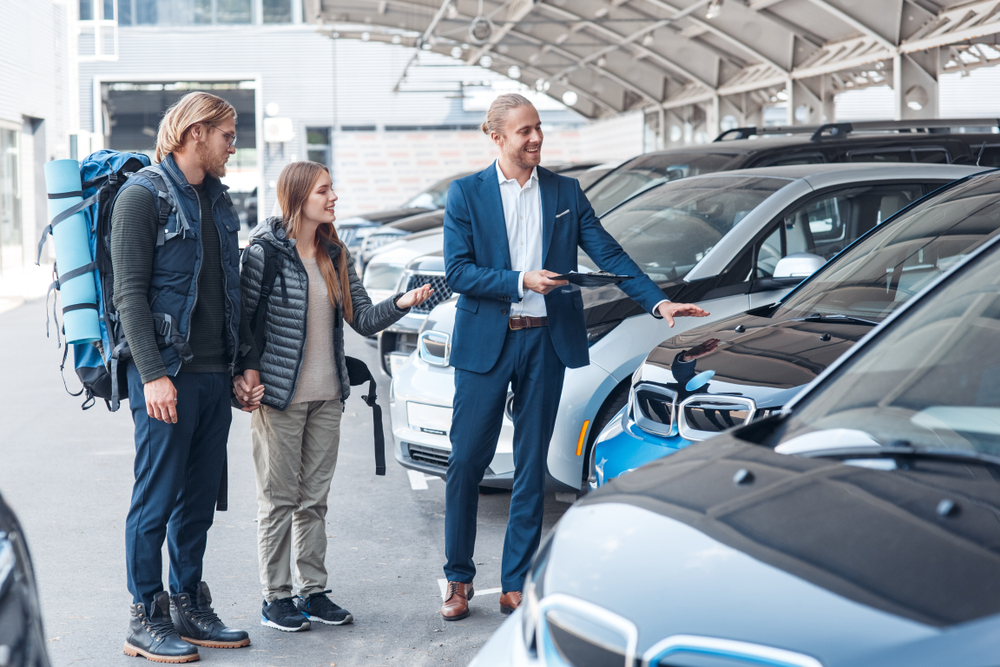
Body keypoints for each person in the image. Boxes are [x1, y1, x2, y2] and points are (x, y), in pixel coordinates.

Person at [440, 94, 709, 620]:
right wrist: (520, 280)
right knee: (465, 461)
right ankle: (457, 580)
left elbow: (607, 252)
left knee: (530, 465)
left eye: (539, 128)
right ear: (497, 138)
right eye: (525, 131)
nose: (536, 138)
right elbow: (458, 273)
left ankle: (515, 580)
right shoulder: (465, 194)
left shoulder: (565, 191)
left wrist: (657, 300)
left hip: (546, 341)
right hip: (486, 343)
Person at [239, 161, 433, 632]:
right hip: (279, 397)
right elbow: (241, 323)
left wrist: (403, 303)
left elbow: (362, 318)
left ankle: (313, 591)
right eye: (325, 190)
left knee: (314, 500)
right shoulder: (265, 253)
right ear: (299, 196)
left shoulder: (334, 253)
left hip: (328, 397)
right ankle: (275, 597)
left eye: (332, 190)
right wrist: (243, 376)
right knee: (278, 498)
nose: (333, 198)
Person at [112, 91, 263, 663]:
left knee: (198, 501)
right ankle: (144, 616)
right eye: (227, 136)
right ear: (195, 132)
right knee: (155, 499)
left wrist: (244, 362)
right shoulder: (141, 195)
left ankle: (188, 605)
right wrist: (152, 375)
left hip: (212, 373)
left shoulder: (220, 202)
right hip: (165, 374)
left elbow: (231, 290)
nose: (233, 146)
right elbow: (129, 293)